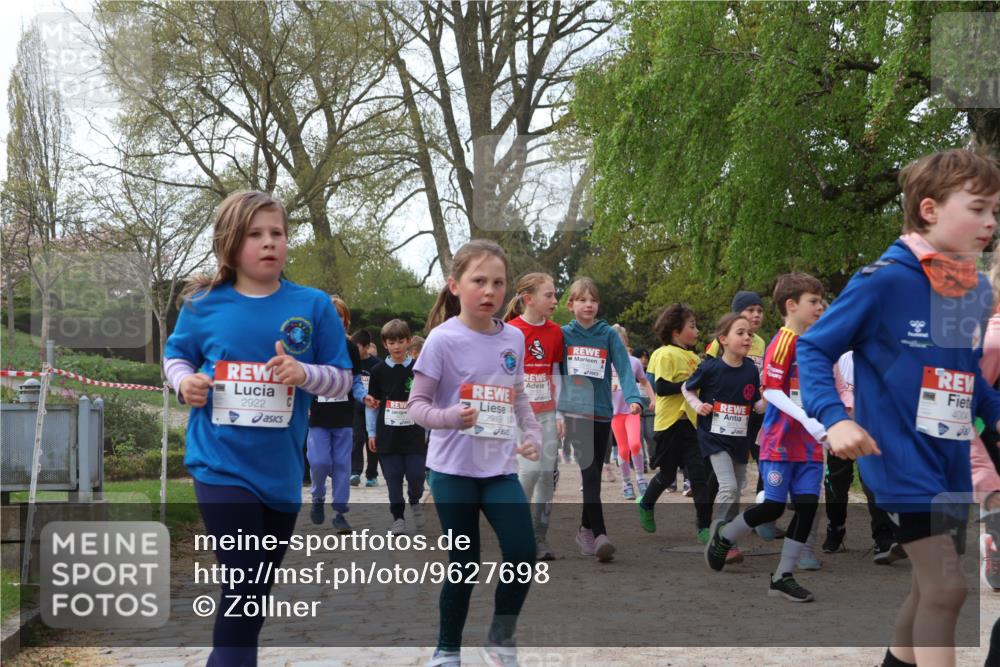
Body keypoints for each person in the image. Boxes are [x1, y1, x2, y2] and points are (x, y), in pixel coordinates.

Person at [797, 148, 1000, 667]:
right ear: (930, 210)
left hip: (948, 456)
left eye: (995, 210)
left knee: (928, 588)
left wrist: (995, 412)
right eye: (977, 208)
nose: (990, 222)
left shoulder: (971, 290)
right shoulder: (883, 279)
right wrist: (835, 417)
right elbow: (814, 347)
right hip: (898, 456)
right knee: (947, 589)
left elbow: (967, 374)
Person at [163, 190, 352, 666]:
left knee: (253, 595)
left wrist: (304, 373)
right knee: (244, 580)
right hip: (220, 465)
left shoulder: (312, 305)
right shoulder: (203, 304)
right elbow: (175, 356)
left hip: (282, 474)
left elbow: (343, 379)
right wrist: (186, 383)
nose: (269, 243)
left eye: (277, 233)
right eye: (255, 234)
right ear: (230, 242)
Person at [407, 240, 542, 667]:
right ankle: (447, 648)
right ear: (454, 285)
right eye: (479, 281)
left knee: (522, 555)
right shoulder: (442, 341)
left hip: (499, 468)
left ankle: (500, 641)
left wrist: (532, 433)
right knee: (464, 562)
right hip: (451, 470)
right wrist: (450, 417)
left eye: (498, 283)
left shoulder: (514, 338)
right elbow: (417, 407)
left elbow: (518, 395)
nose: (489, 291)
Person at [704, 272, 827, 602]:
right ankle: (725, 536)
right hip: (781, 441)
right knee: (772, 507)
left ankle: (782, 576)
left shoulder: (817, 343)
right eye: (813, 302)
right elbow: (772, 391)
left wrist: (831, 422)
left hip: (812, 445)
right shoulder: (783, 340)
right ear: (791, 305)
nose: (820, 307)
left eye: (821, 301)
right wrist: (806, 420)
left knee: (806, 507)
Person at [559, 277, 643, 562]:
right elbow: (555, 370)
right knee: (590, 472)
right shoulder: (564, 335)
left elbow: (624, 367)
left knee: (594, 471)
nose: (589, 305)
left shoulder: (607, 335)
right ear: (570, 305)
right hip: (575, 412)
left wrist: (633, 398)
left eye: (593, 300)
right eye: (582, 300)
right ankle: (601, 534)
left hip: (603, 412)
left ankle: (584, 528)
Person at [683, 313, 764, 564]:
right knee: (728, 487)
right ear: (723, 339)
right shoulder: (711, 367)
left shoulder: (751, 369)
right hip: (714, 438)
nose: (747, 337)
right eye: (740, 332)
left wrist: (774, 398)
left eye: (749, 333)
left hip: (740, 439)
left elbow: (756, 404)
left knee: (737, 490)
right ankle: (717, 540)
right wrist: (698, 405)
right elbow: (687, 388)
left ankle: (729, 540)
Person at [821, 351, 907, 564]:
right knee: (837, 483)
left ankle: (883, 538)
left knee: (873, 483)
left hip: (873, 432)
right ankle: (836, 526)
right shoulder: (843, 359)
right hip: (843, 428)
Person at [636, 303, 712, 542]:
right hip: (668, 425)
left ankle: (704, 527)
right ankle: (647, 504)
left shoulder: (694, 357)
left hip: (691, 424)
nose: (697, 330)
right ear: (676, 331)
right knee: (668, 475)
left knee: (699, 476)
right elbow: (661, 387)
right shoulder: (663, 353)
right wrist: (688, 384)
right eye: (692, 326)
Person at [503, 271, 565, 561]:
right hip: (518, 415)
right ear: (529, 299)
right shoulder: (509, 331)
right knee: (527, 472)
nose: (555, 299)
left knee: (546, 477)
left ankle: (539, 537)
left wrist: (561, 412)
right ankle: (517, 535)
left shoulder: (555, 332)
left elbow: (555, 372)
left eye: (554, 294)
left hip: (548, 413)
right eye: (549, 295)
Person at [307, 295, 367, 533]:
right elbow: (305, 378)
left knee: (342, 464)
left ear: (346, 320)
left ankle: (340, 513)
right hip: (318, 416)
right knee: (320, 462)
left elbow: (356, 381)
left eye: (339, 316)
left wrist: (364, 397)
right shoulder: (314, 346)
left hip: (344, 416)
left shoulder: (351, 348)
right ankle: (318, 497)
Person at [365, 319, 427, 534]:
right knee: (393, 478)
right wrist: (371, 432)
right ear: (385, 344)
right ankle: (398, 517)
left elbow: (427, 399)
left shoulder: (418, 368)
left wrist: (430, 429)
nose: (397, 346)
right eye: (392, 342)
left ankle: (415, 499)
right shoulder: (378, 370)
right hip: (387, 434)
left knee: (417, 476)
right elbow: (371, 404)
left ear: (409, 341)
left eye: (401, 341)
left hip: (415, 434)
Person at [706, 290, 768, 494]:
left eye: (760, 310)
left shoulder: (761, 343)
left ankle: (762, 517)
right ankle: (706, 516)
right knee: (725, 472)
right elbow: (707, 373)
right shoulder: (719, 341)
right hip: (727, 413)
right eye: (750, 310)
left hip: (755, 410)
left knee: (764, 459)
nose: (756, 314)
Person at [610, 324, 656, 500]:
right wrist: (609, 386)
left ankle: (640, 479)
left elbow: (644, 382)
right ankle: (626, 482)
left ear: (626, 343)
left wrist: (653, 399)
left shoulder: (634, 362)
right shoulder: (606, 364)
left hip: (632, 410)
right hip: (615, 413)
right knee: (622, 449)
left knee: (635, 444)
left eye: (620, 342)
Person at [349, 329, 380, 487]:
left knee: (372, 439)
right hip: (355, 406)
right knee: (356, 437)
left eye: (358, 347)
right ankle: (355, 471)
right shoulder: (351, 361)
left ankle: (372, 474)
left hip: (373, 407)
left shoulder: (376, 364)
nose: (354, 350)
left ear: (367, 347)